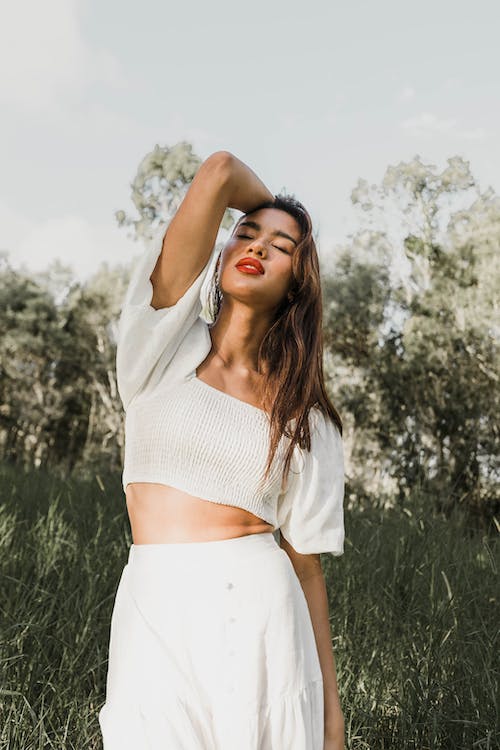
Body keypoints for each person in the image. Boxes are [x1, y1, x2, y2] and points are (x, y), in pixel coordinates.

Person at [98, 150, 346, 749]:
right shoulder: (161, 346)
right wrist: (274, 212)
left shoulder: (306, 417)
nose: (257, 246)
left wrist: (332, 722)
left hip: (267, 622)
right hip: (156, 610)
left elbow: (305, 565)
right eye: (246, 232)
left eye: (282, 247)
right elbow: (219, 171)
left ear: (299, 282)